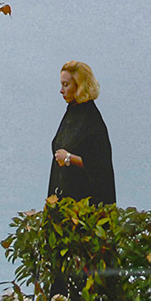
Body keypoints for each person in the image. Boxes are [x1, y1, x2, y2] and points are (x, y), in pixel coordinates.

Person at [47, 60, 115, 205]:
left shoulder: (91, 120)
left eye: (66, 85)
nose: (61, 90)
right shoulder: (71, 112)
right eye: (61, 85)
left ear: (80, 86)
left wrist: (69, 158)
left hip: (84, 207)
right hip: (62, 201)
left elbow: (101, 167)